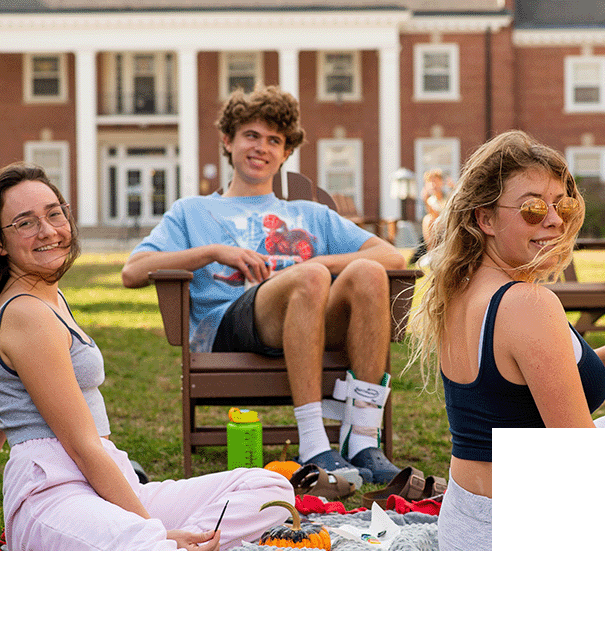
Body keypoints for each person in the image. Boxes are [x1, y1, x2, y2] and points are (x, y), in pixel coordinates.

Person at [0, 161, 294, 551]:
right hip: (54, 491)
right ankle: (169, 548)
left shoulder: (48, 297)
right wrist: (157, 532)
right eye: (25, 223)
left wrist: (158, 530)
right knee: (148, 546)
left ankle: (187, 548)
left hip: (104, 475)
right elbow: (80, 444)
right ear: (1, 243)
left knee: (269, 488)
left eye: (55, 214)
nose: (49, 231)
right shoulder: (26, 313)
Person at [121, 85, 407, 484]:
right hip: (229, 328)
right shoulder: (194, 211)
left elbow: (393, 256)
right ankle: (313, 443)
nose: (262, 148)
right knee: (310, 276)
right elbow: (132, 271)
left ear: (286, 153)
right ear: (228, 141)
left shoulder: (311, 214)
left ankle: (361, 440)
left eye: (275, 140)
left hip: (311, 320)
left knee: (368, 272)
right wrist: (212, 252)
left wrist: (320, 261)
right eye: (251, 136)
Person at [406, 130, 605, 551]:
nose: (554, 219)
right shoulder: (528, 306)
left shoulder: (462, 290)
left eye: (562, 204)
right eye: (533, 207)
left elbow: (542, 380)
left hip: (467, 520)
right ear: (486, 219)